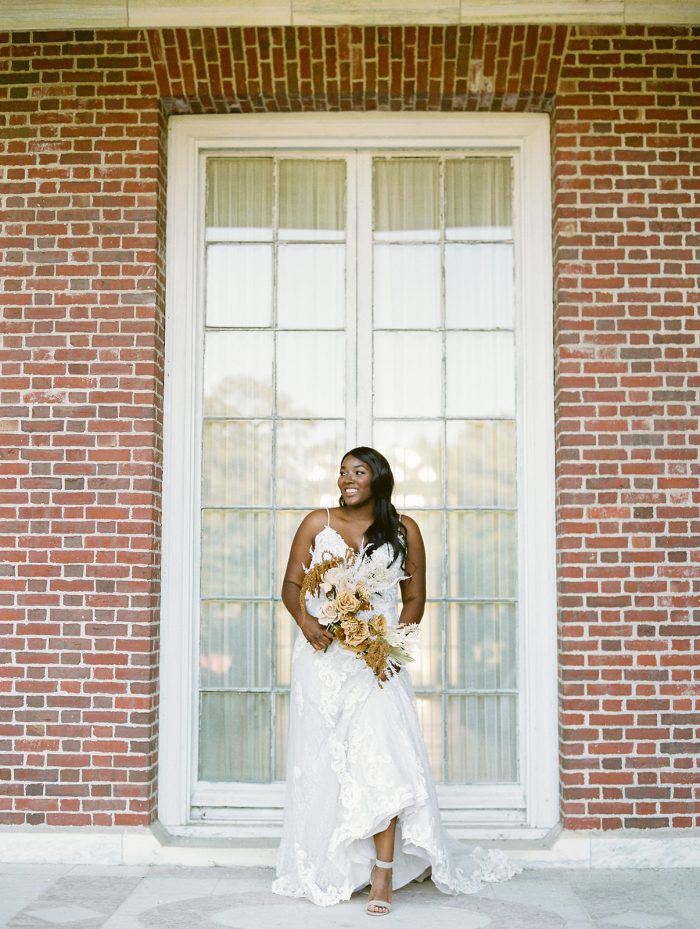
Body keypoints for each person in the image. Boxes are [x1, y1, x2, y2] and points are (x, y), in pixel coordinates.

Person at [271, 446, 522, 913]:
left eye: (358, 472)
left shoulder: (405, 530)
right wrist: (307, 623)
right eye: (343, 471)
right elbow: (290, 585)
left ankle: (382, 873)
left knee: (381, 756)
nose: (347, 479)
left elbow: (414, 597)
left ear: (378, 480)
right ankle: (335, 864)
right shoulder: (315, 522)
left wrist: (389, 645)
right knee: (327, 762)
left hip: (377, 663)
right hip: (324, 662)